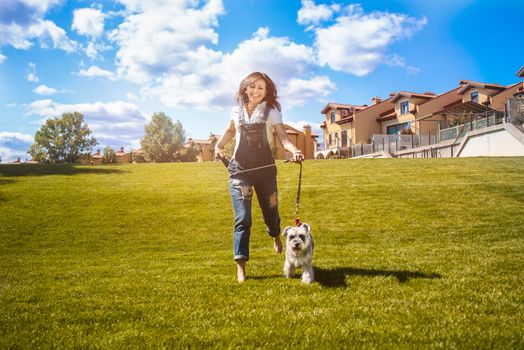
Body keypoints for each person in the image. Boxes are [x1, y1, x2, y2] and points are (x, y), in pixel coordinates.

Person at [214, 72, 305, 283]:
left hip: (266, 173)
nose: (256, 91)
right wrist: (219, 146)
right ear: (245, 88)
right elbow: (229, 132)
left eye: (261, 88)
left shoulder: (271, 113)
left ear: (267, 92)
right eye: (252, 86)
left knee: (271, 210)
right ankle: (241, 266)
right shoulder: (235, 112)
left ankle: (275, 234)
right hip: (240, 172)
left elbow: (283, 139)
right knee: (243, 218)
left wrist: (295, 151)